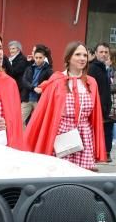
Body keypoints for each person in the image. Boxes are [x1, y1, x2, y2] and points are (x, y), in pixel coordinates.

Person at [24, 41, 105, 170]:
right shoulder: (57, 80)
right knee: (60, 172)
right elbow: (44, 112)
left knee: (82, 176)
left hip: (84, 133)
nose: (82, 58)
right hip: (61, 133)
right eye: (77, 54)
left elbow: (95, 114)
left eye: (85, 55)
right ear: (68, 58)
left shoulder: (91, 82)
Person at [20, 44, 53, 122]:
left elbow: (51, 82)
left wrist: (42, 88)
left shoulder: (48, 70)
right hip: (27, 99)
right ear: (34, 57)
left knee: (38, 122)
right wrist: (34, 88)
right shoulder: (29, 68)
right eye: (36, 58)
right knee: (20, 121)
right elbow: (24, 81)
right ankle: (24, 134)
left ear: (44, 58)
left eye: (40, 58)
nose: (38, 60)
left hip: (39, 100)